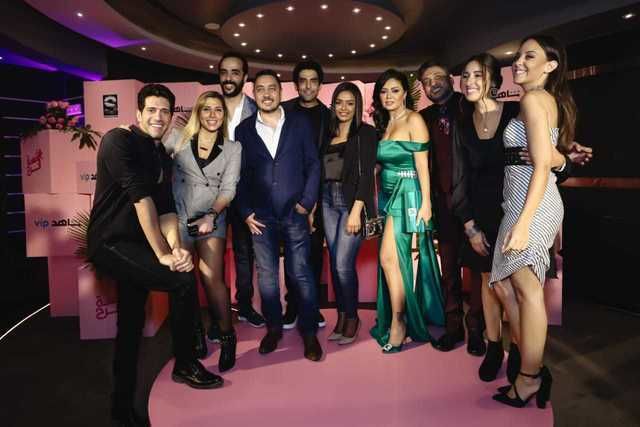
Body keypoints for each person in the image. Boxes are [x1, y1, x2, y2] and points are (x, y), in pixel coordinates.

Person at [87, 84, 223, 427]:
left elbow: (165, 210)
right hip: (110, 242)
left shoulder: (160, 153)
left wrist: (175, 248)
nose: (158, 117)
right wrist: (163, 254)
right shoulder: (118, 141)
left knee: (131, 323)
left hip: (138, 245)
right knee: (182, 281)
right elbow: (141, 200)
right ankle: (185, 363)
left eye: (164, 111)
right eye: (151, 110)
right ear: (138, 113)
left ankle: (121, 408)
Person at [490, 35, 576, 408]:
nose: (519, 62)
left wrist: (524, 223)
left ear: (550, 65)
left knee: (526, 290)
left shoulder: (534, 99)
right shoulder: (539, 99)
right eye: (518, 56)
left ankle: (528, 378)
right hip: (518, 201)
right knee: (503, 286)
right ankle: (531, 365)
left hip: (534, 205)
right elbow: (548, 157)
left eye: (530, 56)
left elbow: (542, 166)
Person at [234, 70, 323, 361]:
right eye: (260, 89)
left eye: (272, 88)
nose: (267, 94)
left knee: (301, 273)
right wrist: (245, 211)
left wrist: (307, 202)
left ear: (281, 92)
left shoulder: (299, 123)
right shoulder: (243, 130)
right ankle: (273, 329)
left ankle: (309, 331)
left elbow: (313, 164)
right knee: (268, 278)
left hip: (294, 213)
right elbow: (239, 174)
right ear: (254, 93)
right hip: (260, 217)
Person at [165, 91, 241, 372]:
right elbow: (150, 154)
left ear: (224, 115)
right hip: (180, 217)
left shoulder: (233, 148)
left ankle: (227, 336)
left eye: (218, 110)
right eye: (206, 109)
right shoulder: (177, 138)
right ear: (198, 112)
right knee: (184, 281)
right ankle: (194, 333)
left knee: (211, 278)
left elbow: (229, 189)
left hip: (212, 218)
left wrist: (211, 216)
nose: (212, 115)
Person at [369, 69, 445, 353]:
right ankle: (397, 315)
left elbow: (423, 166)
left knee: (389, 257)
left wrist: (426, 204)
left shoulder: (414, 120)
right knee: (392, 260)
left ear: (405, 94)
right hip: (387, 195)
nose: (388, 96)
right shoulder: (384, 123)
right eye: (384, 91)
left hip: (408, 194)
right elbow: (382, 162)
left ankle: (399, 321)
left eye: (395, 90)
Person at [418, 61, 475, 353]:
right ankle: (454, 327)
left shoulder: (470, 107)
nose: (433, 83)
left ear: (451, 80)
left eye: (438, 77)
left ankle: (477, 330)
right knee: (449, 271)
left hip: (473, 203)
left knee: (477, 270)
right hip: (441, 205)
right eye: (427, 80)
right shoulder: (423, 118)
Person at [321, 82, 377, 345]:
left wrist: (356, 211)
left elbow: (366, 175)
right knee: (334, 263)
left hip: (350, 203)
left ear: (357, 106)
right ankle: (342, 317)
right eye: (339, 102)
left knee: (343, 264)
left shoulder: (365, 133)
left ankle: (353, 318)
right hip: (326, 201)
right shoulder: (328, 133)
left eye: (350, 103)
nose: (344, 108)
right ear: (333, 105)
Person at [281, 60, 331, 329]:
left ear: (320, 85)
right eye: (303, 81)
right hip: (287, 193)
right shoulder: (284, 111)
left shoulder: (328, 116)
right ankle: (292, 306)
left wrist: (313, 200)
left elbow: (327, 160)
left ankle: (311, 306)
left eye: (314, 81)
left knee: (313, 252)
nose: (308, 86)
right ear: (296, 84)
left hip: (317, 195)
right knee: (291, 251)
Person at [218, 52, 265, 330]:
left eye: (235, 72)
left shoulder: (257, 110)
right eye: (224, 72)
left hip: (246, 193)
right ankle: (219, 314)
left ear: (244, 77)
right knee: (211, 257)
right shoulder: (209, 108)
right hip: (213, 195)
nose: (229, 77)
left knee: (245, 254)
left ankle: (244, 306)